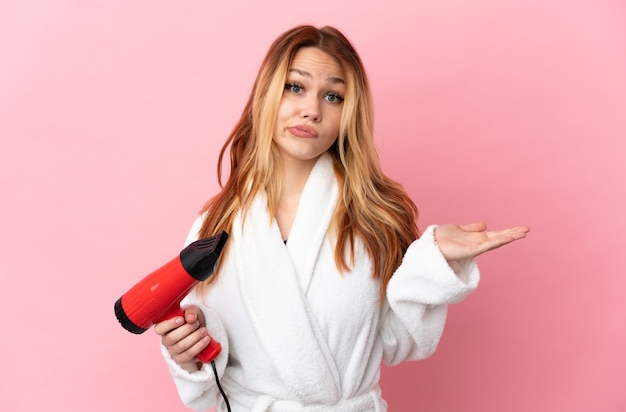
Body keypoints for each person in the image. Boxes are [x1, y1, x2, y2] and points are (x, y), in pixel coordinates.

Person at [154, 25, 529, 412]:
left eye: (333, 96)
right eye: (295, 87)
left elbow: (399, 343)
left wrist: (432, 263)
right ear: (266, 96)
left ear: (348, 114)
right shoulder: (213, 227)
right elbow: (208, 374)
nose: (312, 109)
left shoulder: (376, 217)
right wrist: (188, 356)